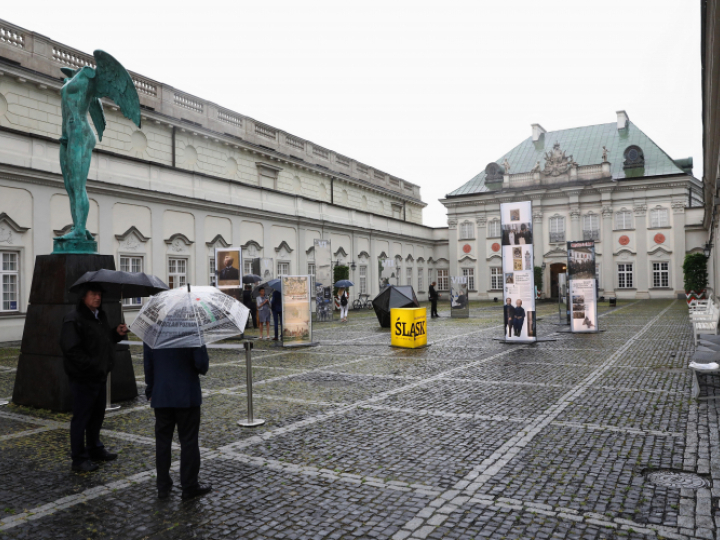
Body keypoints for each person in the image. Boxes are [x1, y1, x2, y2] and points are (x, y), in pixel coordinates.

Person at [60, 283, 128, 473]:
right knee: (81, 419)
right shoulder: (73, 319)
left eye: (99, 294)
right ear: (83, 297)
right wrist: (92, 366)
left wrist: (116, 333)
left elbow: (104, 341)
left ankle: (95, 448)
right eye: (93, 294)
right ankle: (79, 459)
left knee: (97, 416)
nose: (97, 298)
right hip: (83, 378)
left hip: (99, 376)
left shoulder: (100, 316)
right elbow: (71, 350)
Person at [143, 343, 212, 501]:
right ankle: (189, 486)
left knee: (162, 442)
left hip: (161, 393)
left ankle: (162, 486)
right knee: (188, 441)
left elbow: (148, 363)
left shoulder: (153, 328)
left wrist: (150, 389)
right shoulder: (190, 327)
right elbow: (202, 365)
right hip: (186, 393)